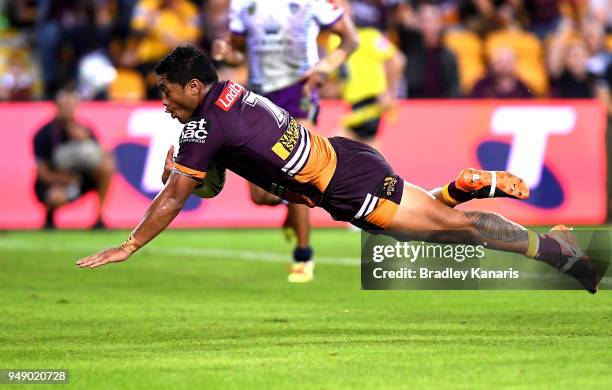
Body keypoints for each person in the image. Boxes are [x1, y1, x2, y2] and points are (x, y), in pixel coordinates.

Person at [75, 46, 600, 294]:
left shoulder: (203, 127)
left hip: (348, 187)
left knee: (457, 233)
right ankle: (459, 190)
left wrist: (129, 244)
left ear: (192, 87)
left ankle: (556, 250)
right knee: (436, 226)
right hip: (347, 157)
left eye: (165, 92)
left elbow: (176, 196)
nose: (162, 103)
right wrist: (201, 173)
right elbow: (216, 174)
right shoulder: (227, 96)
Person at [211, 0, 360, 283]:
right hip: (259, 98)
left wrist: (326, 66)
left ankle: (303, 257)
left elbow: (351, 39)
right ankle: (293, 207)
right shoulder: (242, 5)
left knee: (297, 170)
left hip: (299, 93)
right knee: (261, 196)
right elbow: (240, 53)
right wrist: (227, 54)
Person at [33, 84, 115, 229]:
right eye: (65, 105)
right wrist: (66, 179)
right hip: (58, 180)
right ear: (57, 106)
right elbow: (43, 172)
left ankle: (99, 218)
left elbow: (104, 156)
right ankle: (50, 216)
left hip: (81, 178)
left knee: (106, 167)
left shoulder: (84, 130)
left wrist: (85, 140)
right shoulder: (44, 134)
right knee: (56, 197)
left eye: (72, 105)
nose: (69, 109)